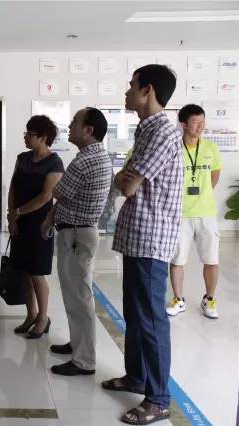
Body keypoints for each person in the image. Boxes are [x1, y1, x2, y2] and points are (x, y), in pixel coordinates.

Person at [103, 64, 182, 425]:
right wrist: (124, 177)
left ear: (148, 90)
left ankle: (159, 399)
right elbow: (124, 179)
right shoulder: (147, 130)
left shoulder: (162, 133)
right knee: (134, 314)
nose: (127, 91)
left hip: (151, 239)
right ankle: (137, 377)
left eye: (131, 85)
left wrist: (124, 177)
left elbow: (127, 184)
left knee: (150, 320)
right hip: (137, 237)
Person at [40, 108, 112, 376]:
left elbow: (58, 191)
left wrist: (50, 216)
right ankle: (78, 344)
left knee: (79, 297)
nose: (69, 126)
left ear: (88, 130)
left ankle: (84, 361)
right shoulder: (96, 156)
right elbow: (63, 194)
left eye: (74, 122)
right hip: (79, 232)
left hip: (77, 235)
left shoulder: (85, 160)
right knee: (75, 294)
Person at [7, 115, 64, 338]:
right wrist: (12, 216)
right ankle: (30, 315)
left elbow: (46, 196)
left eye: (30, 134)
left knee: (37, 272)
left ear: (43, 137)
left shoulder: (54, 163)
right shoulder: (22, 159)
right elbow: (13, 188)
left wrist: (19, 212)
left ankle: (43, 318)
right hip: (19, 220)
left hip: (40, 223)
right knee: (24, 272)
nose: (26, 137)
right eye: (26, 133)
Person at [166, 104, 222, 319]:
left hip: (206, 213)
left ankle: (209, 299)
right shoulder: (174, 149)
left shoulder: (210, 148)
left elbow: (214, 176)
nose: (201, 126)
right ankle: (178, 299)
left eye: (203, 121)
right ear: (183, 125)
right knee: (178, 259)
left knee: (211, 259)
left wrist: (202, 197)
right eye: (196, 122)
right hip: (179, 214)